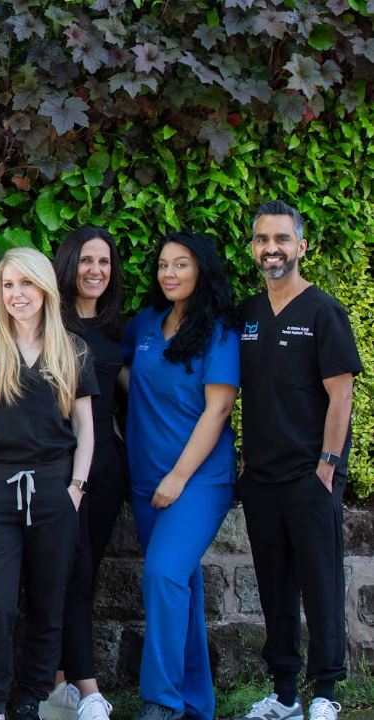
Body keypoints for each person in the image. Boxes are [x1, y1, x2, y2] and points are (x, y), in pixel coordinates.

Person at [233, 201, 360, 720]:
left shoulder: (323, 311)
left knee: (321, 583)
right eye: (263, 239)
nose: (272, 248)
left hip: (311, 476)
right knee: (274, 587)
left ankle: (326, 692)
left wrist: (327, 464)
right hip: (261, 479)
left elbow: (341, 395)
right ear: (252, 248)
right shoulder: (247, 315)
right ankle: (285, 694)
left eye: (282, 239)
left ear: (301, 246)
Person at [0, 247, 95, 720]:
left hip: (55, 491)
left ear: (45, 289)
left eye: (26, 283)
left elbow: (85, 427)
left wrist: (75, 488)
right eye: (7, 285)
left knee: (47, 603)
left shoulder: (73, 350)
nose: (16, 294)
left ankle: (32, 701)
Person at [124, 231, 240, 720]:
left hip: (197, 481)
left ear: (202, 270)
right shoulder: (146, 324)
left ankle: (162, 701)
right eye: (163, 264)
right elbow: (121, 370)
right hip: (145, 477)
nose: (168, 273)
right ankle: (195, 704)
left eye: (181, 264)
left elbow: (219, 410)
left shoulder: (219, 331)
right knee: (179, 590)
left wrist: (178, 476)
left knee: (163, 574)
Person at [42, 228, 128, 720]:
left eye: (105, 262)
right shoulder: (48, 323)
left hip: (107, 467)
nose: (96, 270)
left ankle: (59, 686)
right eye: (87, 260)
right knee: (66, 573)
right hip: (60, 467)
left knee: (85, 575)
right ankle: (83, 688)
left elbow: (135, 395)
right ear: (69, 263)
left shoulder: (118, 331)